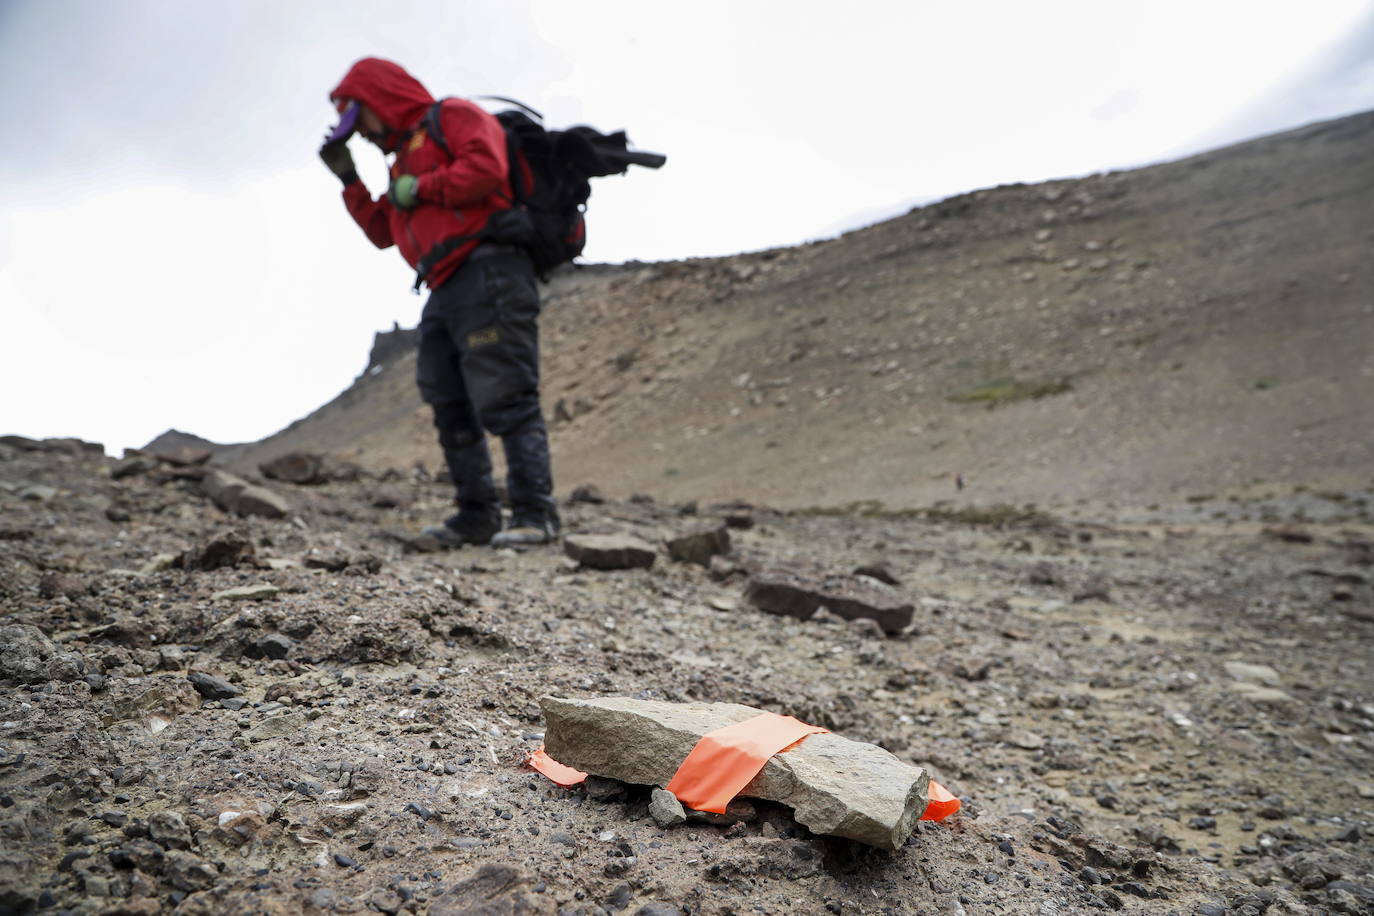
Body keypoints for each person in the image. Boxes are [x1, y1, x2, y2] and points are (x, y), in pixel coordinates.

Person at [319, 57, 558, 547]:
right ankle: (477, 516)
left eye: (358, 120)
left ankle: (536, 515)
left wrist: (421, 186)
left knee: (506, 391)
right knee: (447, 398)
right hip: (441, 285)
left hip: (489, 269)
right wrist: (351, 182)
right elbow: (385, 232)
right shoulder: (401, 158)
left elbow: (487, 169)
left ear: (380, 101)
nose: (359, 134)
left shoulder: (452, 117)